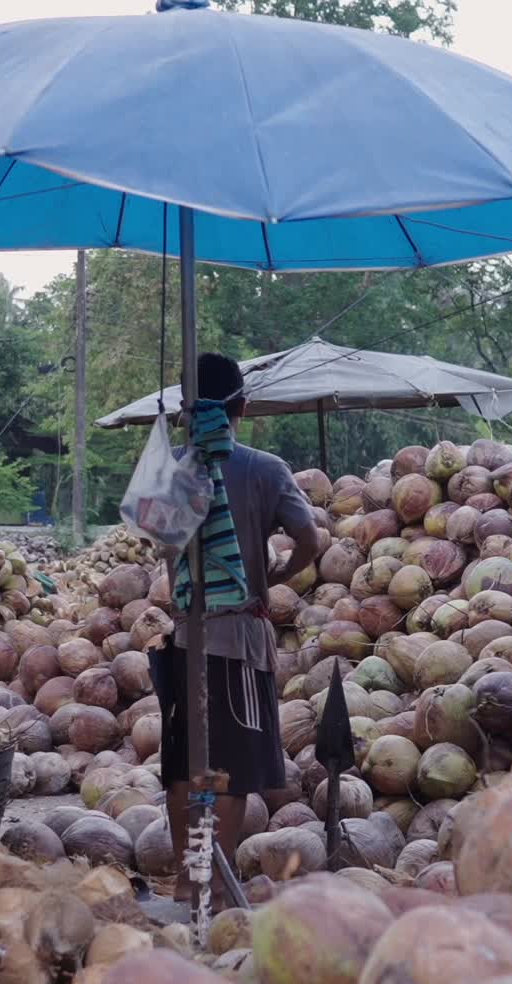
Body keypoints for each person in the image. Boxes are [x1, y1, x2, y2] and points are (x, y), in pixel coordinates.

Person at [147, 351, 319, 922]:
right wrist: (269, 579)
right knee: (229, 769)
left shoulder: (170, 469)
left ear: (185, 411)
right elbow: (309, 540)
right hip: (238, 642)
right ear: (243, 405)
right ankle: (211, 891)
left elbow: (166, 552)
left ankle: (186, 885)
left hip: (184, 640)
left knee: (184, 763)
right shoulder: (266, 469)